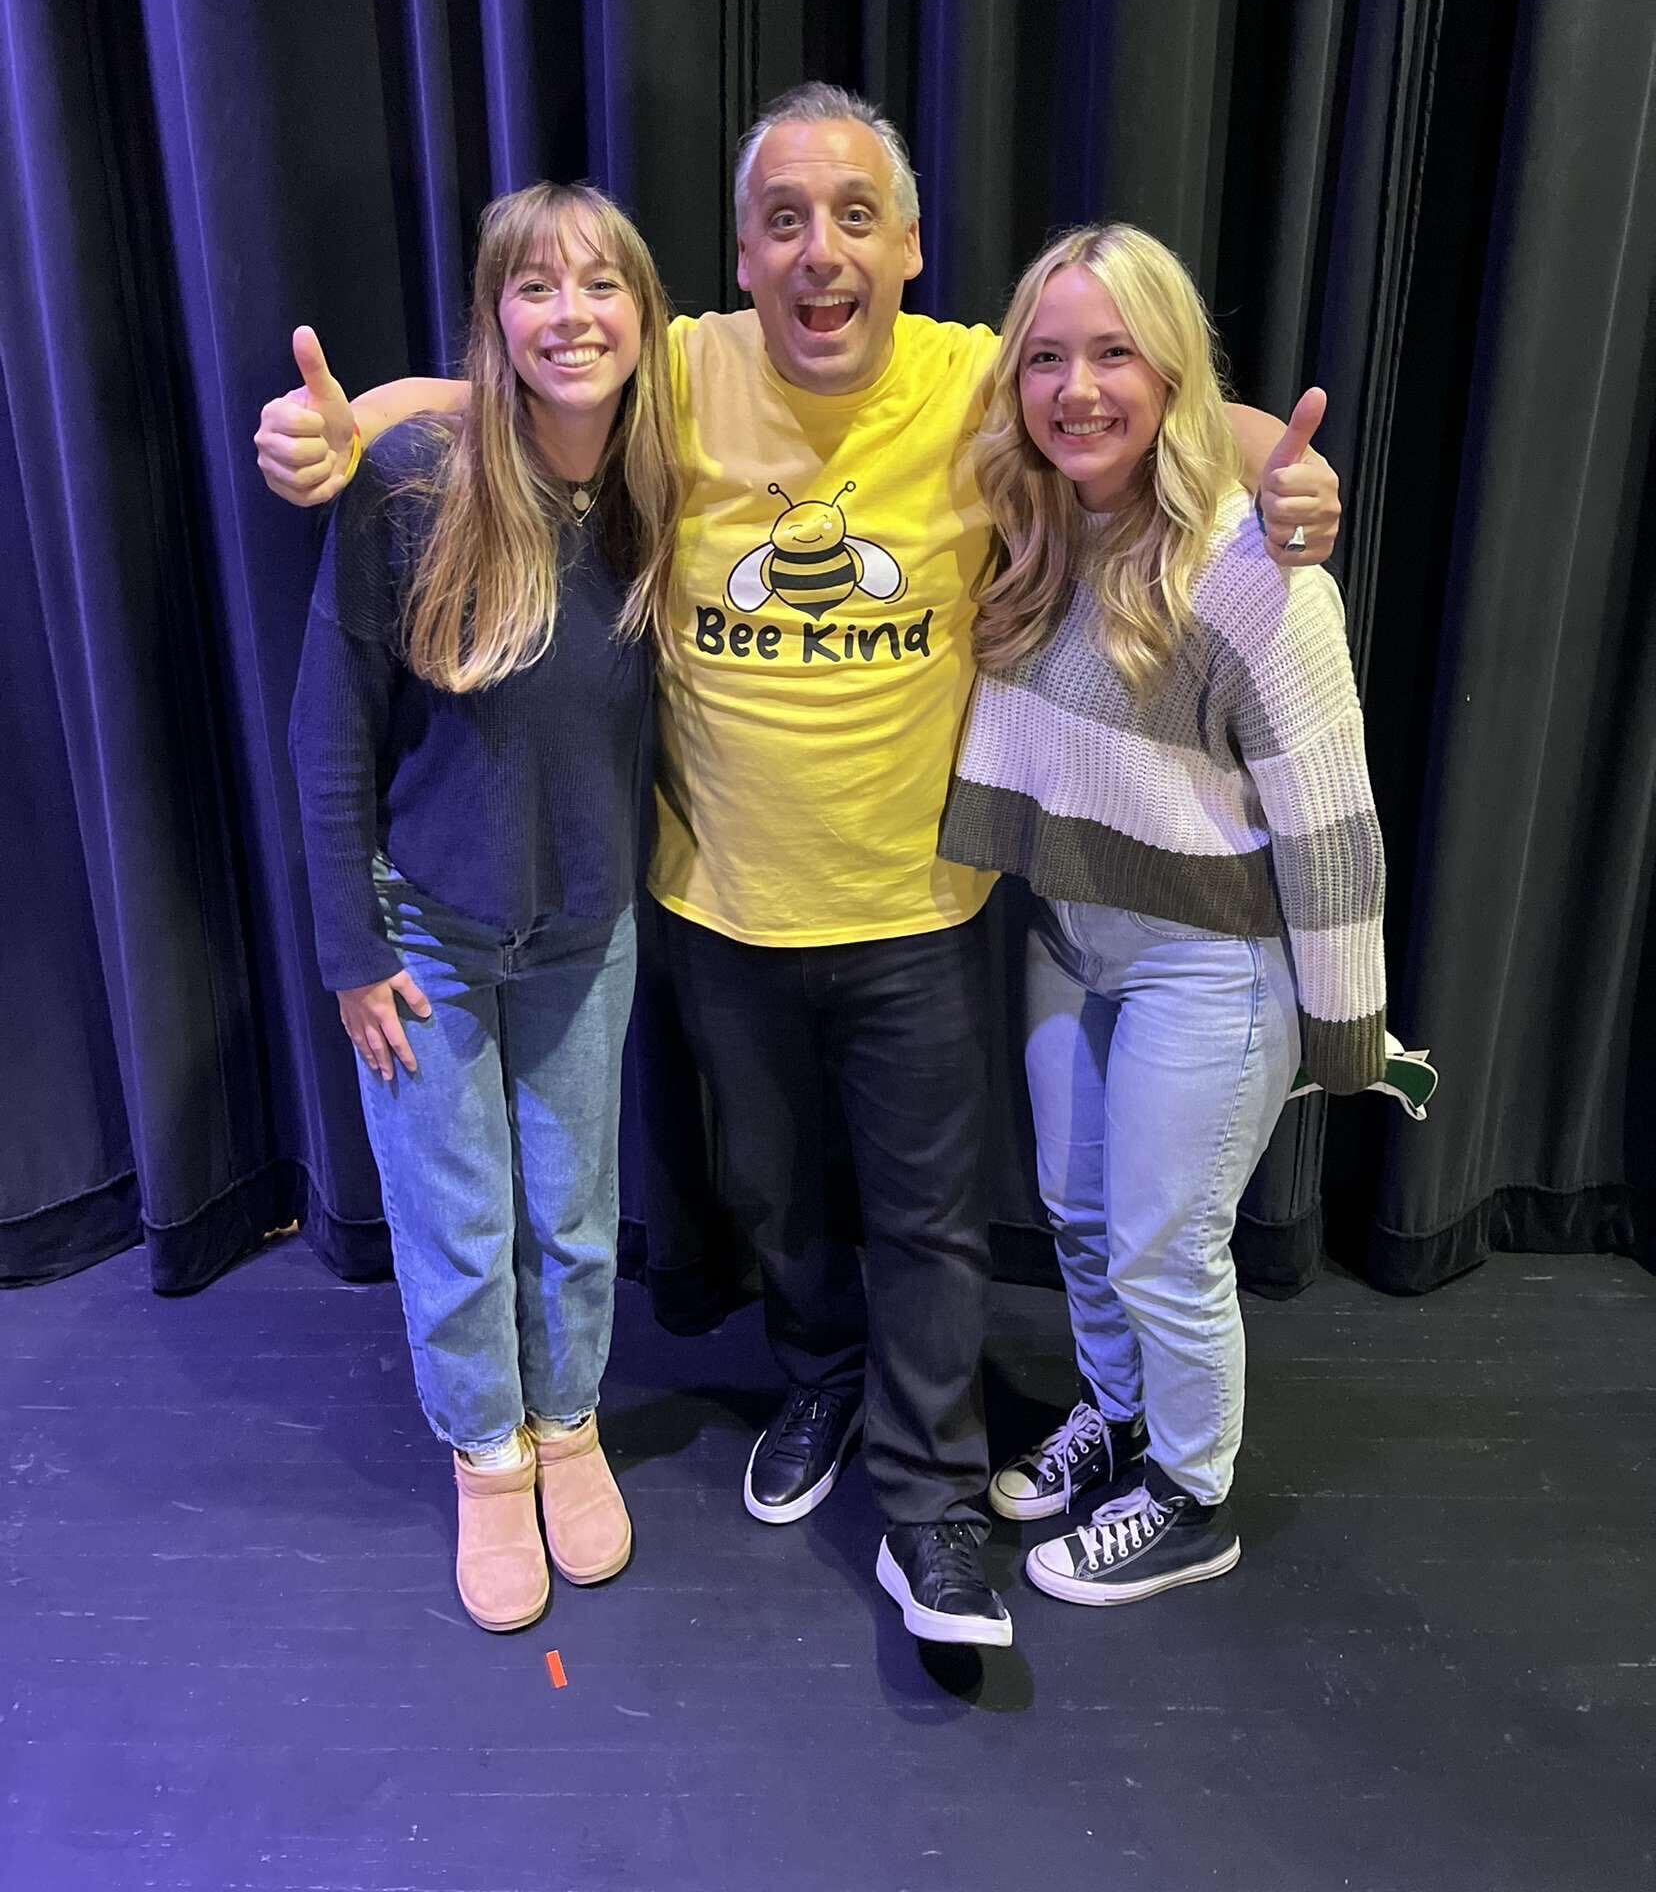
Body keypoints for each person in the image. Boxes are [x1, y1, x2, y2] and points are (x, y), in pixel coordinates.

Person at [260, 86, 1344, 1652]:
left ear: (909, 247)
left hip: (917, 906)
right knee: (771, 1202)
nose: (819, 248)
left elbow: (1187, 413)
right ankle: (816, 1388)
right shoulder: (679, 369)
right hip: (711, 902)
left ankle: (931, 1514)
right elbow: (490, 381)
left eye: (854, 215)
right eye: (783, 219)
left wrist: (1289, 479)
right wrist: (348, 427)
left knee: (926, 1219)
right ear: (742, 256)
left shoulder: (980, 379)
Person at [939, 223, 1386, 1605]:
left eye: (1115, 352)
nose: (1078, 387)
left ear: (1174, 370)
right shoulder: (1025, 531)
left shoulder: (1255, 571)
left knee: (1161, 1241)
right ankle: (1122, 1425)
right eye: (1050, 357)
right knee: (1078, 1216)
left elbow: (1329, 807)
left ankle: (1193, 1494)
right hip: (1073, 942)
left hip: (1213, 965)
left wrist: (1346, 1029)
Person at [288, 182, 683, 1632]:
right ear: (493, 318)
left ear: (645, 318)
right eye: (534, 286)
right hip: (426, 928)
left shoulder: (661, 486)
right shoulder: (412, 482)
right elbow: (326, 731)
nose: (570, 313)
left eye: (601, 286)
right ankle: (487, 1458)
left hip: (586, 929)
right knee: (459, 1222)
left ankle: (567, 1428)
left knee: (574, 1217)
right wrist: (348, 946)